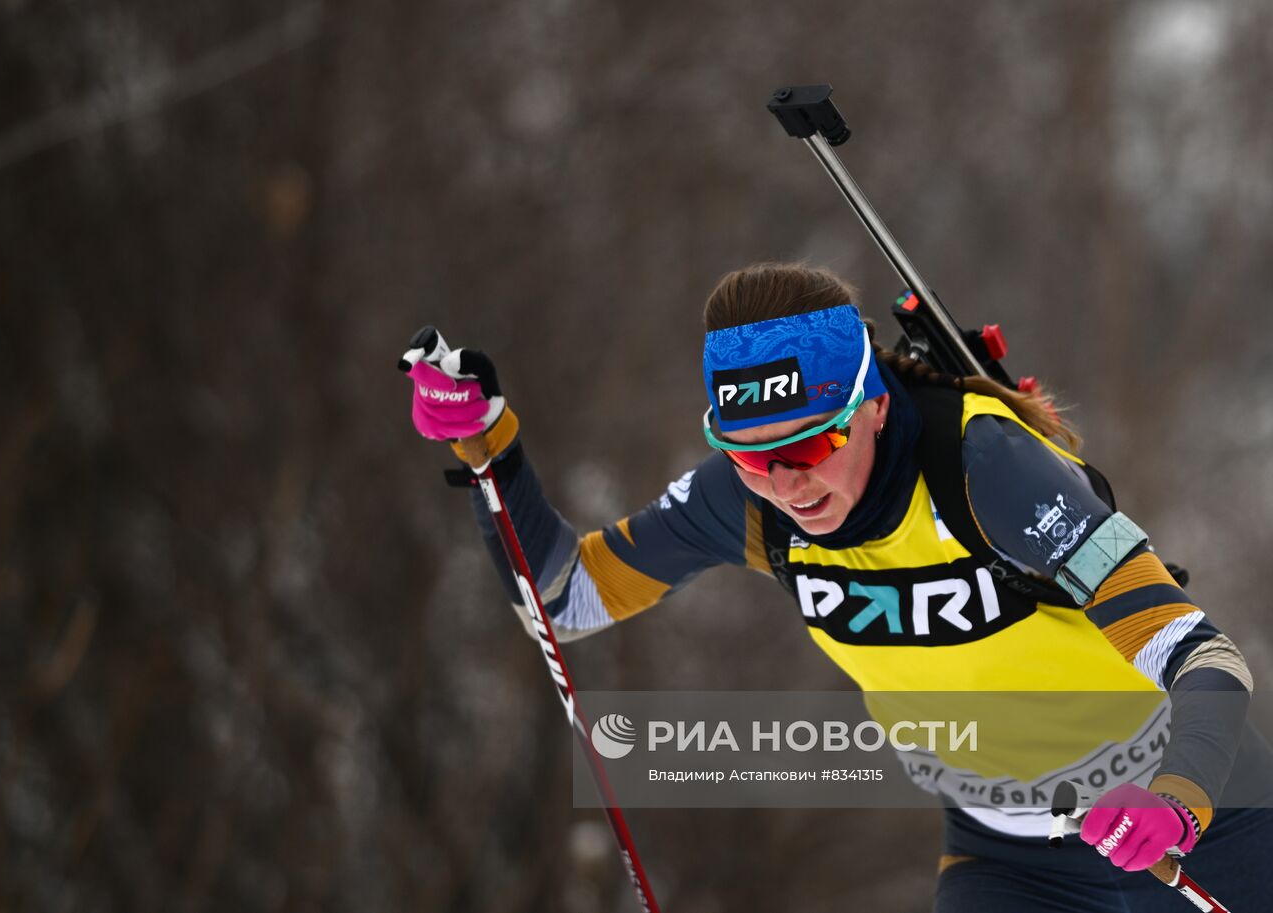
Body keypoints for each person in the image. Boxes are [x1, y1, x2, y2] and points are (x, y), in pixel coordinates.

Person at [401, 262, 1273, 911]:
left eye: (811, 445)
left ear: (874, 404)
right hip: (1011, 858)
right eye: (750, 455)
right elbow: (565, 602)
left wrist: (1178, 801)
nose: (785, 481)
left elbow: (1205, 658)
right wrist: (492, 453)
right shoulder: (746, 504)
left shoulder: (985, 466)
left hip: (1196, 815)